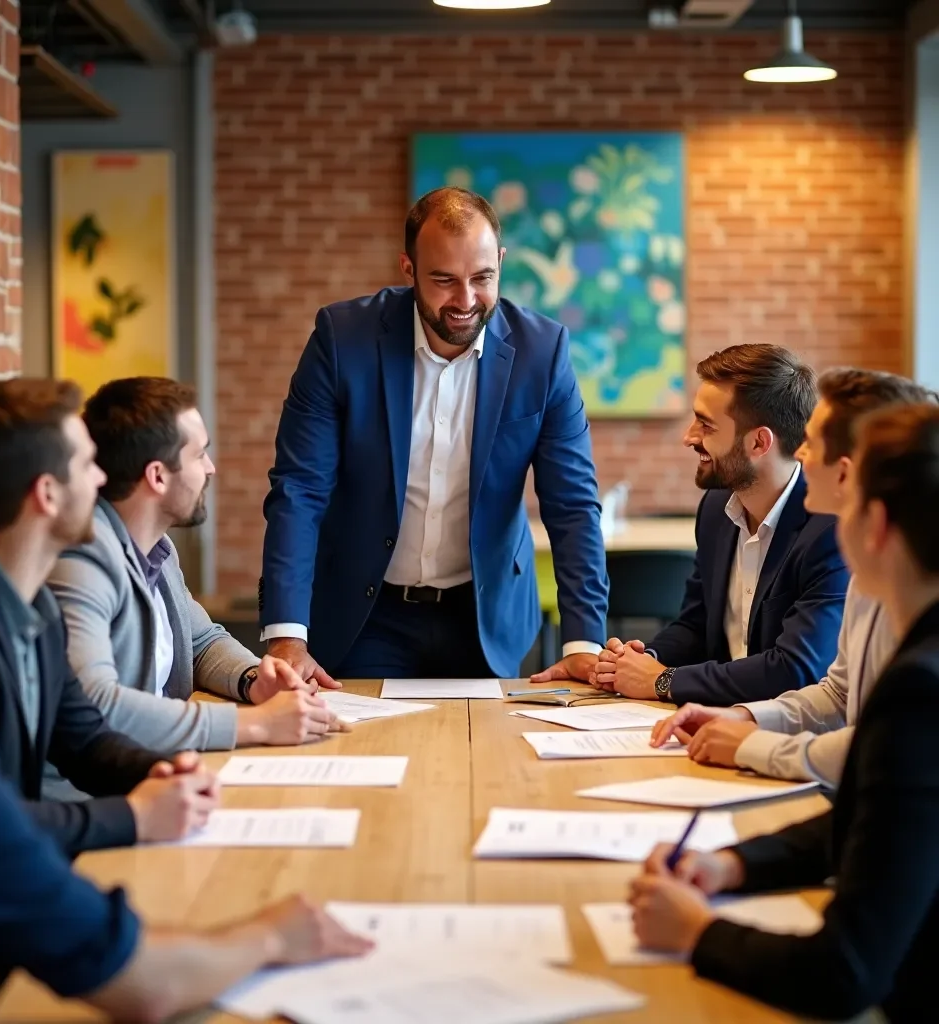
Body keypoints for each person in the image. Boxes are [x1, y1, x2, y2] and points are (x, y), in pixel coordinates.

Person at [0, 459, 372, 1024]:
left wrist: (156, 773)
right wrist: (271, 936)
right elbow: (141, 981)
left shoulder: (36, 611)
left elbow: (79, 731)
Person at [630, 402, 939, 1024]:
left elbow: (842, 972)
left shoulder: (919, 692)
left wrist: (697, 935)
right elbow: (872, 822)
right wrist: (734, 863)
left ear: (874, 526)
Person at [260, 186, 608, 682]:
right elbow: (299, 490)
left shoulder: (543, 352)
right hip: (367, 611)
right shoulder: (342, 340)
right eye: (444, 280)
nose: (466, 301)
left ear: (502, 261)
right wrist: (287, 636)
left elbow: (572, 505)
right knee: (371, 751)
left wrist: (583, 641)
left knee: (485, 756)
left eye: (483, 278)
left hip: (484, 613)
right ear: (408, 269)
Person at [0, 380, 216, 857]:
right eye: (87, 465)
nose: (103, 480)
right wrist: (137, 815)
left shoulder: (37, 609)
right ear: (46, 493)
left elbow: (83, 741)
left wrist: (159, 772)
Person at [650, 369, 934, 785]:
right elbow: (838, 694)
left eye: (811, 444)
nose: (798, 455)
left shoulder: (844, 551)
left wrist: (749, 745)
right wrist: (743, 717)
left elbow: (882, 750)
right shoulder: (868, 574)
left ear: (846, 472)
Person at [47, 376, 345, 766]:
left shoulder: (158, 548)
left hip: (160, 771)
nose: (211, 468)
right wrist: (253, 725)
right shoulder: (82, 560)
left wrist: (254, 680)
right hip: (93, 798)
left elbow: (202, 642)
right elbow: (96, 702)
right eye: (199, 454)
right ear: (157, 476)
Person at [538, 343, 849, 706]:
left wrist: (663, 681)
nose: (689, 436)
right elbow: (695, 626)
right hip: (714, 723)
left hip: (792, 739)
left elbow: (795, 669)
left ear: (759, 442)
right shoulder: (717, 509)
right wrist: (639, 662)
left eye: (706, 424)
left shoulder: (830, 530)